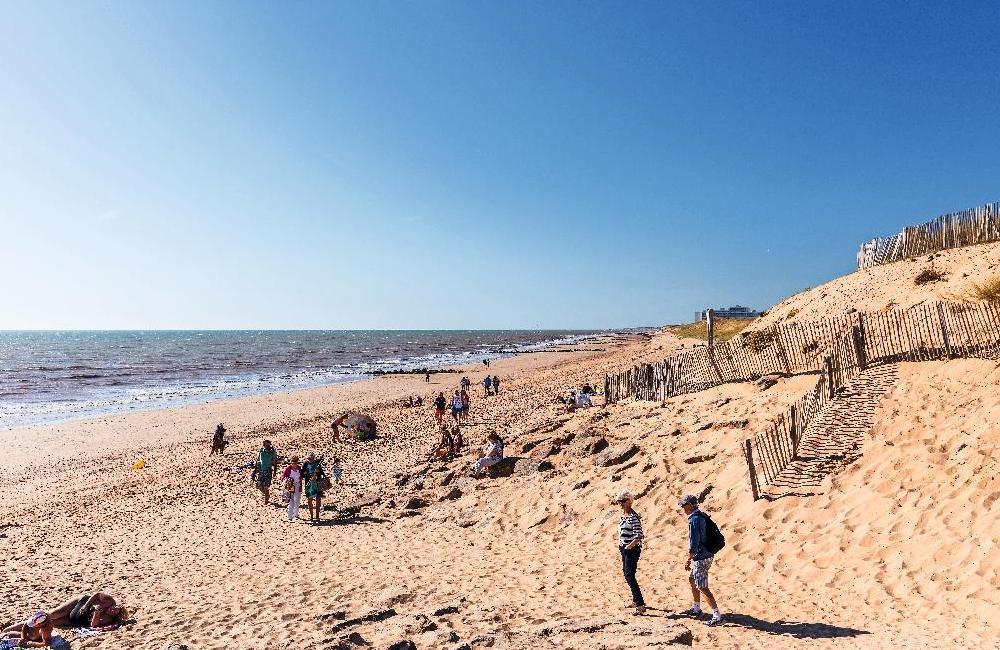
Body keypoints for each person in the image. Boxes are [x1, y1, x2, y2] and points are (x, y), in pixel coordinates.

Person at [678, 495, 723, 626]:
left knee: (703, 587)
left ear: (691, 505)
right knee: (692, 579)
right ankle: (696, 608)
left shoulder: (694, 520)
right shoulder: (701, 515)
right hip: (707, 554)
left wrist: (688, 559)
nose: (682, 508)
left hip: (701, 557)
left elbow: (694, 543)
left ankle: (717, 616)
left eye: (684, 505)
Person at [615, 490, 647, 616]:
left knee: (629, 576)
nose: (620, 504)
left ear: (629, 501)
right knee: (627, 574)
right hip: (624, 548)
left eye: (622, 501)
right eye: (618, 501)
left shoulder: (633, 517)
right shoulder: (624, 515)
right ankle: (636, 600)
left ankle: (640, 604)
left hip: (631, 550)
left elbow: (639, 535)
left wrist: (629, 546)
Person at [252, 439, 279, 505]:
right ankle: (267, 494)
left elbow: (275, 463)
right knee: (259, 486)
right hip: (261, 471)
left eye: (268, 445)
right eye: (265, 445)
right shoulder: (261, 451)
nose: (267, 446)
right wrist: (254, 472)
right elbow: (258, 462)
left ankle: (266, 500)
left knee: (266, 486)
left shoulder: (272, 453)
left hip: (268, 471)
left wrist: (275, 472)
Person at [303, 456, 327, 522]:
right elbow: (302, 474)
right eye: (309, 459)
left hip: (317, 484)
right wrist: (309, 474)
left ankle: (317, 516)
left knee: (318, 500)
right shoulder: (305, 464)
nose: (311, 460)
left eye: (312, 458)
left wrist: (318, 472)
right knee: (310, 500)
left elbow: (322, 473)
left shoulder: (317, 464)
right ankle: (311, 516)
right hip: (309, 484)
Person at [281, 456, 303, 522]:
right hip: (290, 486)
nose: (294, 463)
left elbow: (301, 475)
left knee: (297, 500)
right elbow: (283, 477)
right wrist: (288, 481)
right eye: (293, 462)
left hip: (298, 486)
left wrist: (301, 478)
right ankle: (290, 516)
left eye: (295, 462)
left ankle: (296, 514)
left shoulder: (299, 468)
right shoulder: (288, 468)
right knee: (291, 501)